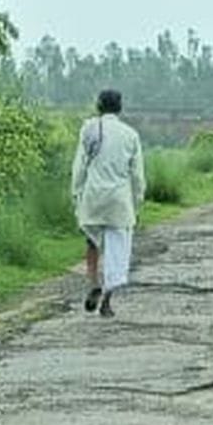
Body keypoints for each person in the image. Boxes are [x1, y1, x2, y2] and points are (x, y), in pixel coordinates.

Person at [72, 89, 146, 317]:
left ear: (99, 106)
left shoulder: (90, 129)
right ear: (120, 107)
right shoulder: (130, 135)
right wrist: (137, 201)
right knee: (117, 251)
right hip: (119, 200)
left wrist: (76, 194)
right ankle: (107, 299)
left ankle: (93, 282)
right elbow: (137, 175)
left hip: (94, 196)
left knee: (92, 241)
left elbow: (79, 166)